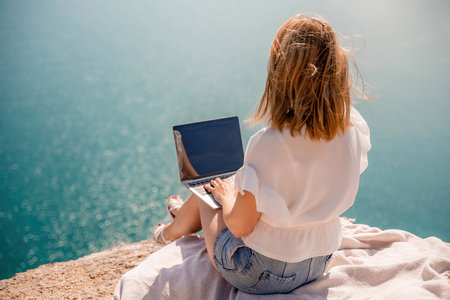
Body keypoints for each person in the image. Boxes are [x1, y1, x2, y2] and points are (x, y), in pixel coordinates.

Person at [153, 14, 371, 295]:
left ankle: (170, 232)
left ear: (280, 75)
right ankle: (180, 216)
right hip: (320, 259)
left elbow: (239, 225)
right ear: (337, 68)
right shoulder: (353, 126)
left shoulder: (270, 143)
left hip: (261, 272)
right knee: (225, 189)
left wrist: (227, 197)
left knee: (210, 188)